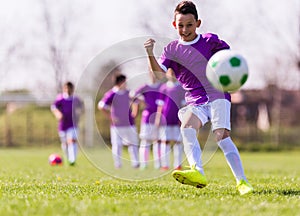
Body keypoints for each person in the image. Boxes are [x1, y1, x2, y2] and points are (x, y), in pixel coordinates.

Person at [143, 1, 253, 195]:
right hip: (195, 100)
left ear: (198, 23)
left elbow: (227, 62)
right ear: (174, 25)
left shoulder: (211, 41)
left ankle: (242, 182)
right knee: (186, 127)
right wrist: (149, 53)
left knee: (221, 137)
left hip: (217, 94)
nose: (184, 30)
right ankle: (197, 171)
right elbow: (159, 76)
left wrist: (232, 80)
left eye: (189, 25)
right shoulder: (171, 50)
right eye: (180, 25)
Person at [98, 74, 139, 169]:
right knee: (117, 144)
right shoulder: (111, 94)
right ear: (120, 82)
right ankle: (118, 164)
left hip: (130, 124)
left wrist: (134, 113)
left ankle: (135, 163)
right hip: (117, 125)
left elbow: (136, 102)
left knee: (133, 143)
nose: (126, 84)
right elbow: (101, 106)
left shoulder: (129, 93)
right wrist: (110, 117)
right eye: (125, 82)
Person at [155, 68, 186, 171]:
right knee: (165, 142)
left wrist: (183, 119)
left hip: (177, 120)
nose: (172, 74)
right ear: (167, 74)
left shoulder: (181, 88)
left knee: (178, 142)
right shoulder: (163, 88)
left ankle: (178, 165)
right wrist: (158, 118)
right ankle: (165, 164)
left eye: (174, 73)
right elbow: (160, 105)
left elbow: (183, 105)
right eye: (170, 73)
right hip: (166, 119)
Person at [132, 72, 162, 170]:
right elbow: (132, 94)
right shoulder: (145, 87)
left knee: (157, 141)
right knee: (145, 141)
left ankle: (158, 164)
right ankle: (144, 164)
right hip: (147, 117)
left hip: (159, 117)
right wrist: (141, 102)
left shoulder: (161, 86)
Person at [51, 81, 83, 166]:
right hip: (63, 125)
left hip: (73, 124)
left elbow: (81, 108)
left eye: (70, 88)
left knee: (72, 141)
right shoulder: (60, 98)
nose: (68, 89)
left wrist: (78, 115)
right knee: (65, 144)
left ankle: (72, 160)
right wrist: (58, 114)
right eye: (66, 88)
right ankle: (68, 158)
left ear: (72, 89)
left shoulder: (76, 99)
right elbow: (53, 107)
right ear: (64, 88)